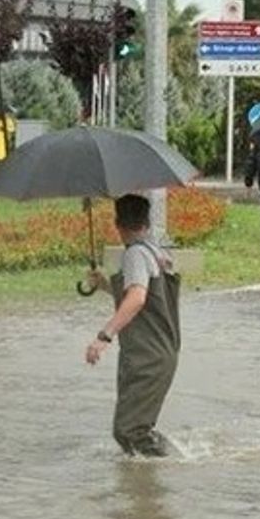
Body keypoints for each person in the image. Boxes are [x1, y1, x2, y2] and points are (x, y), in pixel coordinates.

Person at [84, 194, 182, 457]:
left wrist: (104, 337)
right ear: (146, 222)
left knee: (129, 430)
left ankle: (176, 464)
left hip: (146, 355)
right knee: (136, 430)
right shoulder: (155, 251)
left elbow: (137, 298)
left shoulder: (136, 254)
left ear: (117, 224)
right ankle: (171, 463)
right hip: (160, 352)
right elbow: (145, 298)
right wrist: (105, 285)